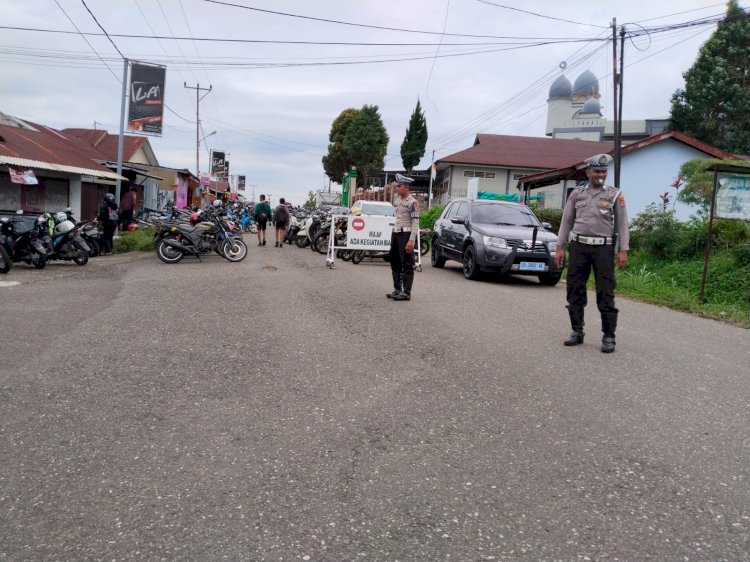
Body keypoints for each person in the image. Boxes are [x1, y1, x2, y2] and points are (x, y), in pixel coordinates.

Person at [554, 153, 629, 353]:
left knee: (606, 291)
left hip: (603, 249)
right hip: (579, 247)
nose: (600, 175)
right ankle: (577, 331)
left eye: (603, 171)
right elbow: (566, 221)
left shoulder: (614, 195)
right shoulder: (576, 194)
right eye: (596, 171)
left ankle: (608, 336)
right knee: (574, 289)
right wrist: (559, 247)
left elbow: (622, 225)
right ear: (588, 172)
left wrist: (623, 250)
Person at [387, 174, 419, 301]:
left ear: (406, 187)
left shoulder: (413, 203)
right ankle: (397, 289)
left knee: (407, 263)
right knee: (394, 260)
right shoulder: (397, 200)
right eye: (396, 186)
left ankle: (406, 292)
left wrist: (411, 240)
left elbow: (415, 222)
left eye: (399, 186)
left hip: (406, 235)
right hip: (396, 234)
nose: (397, 188)